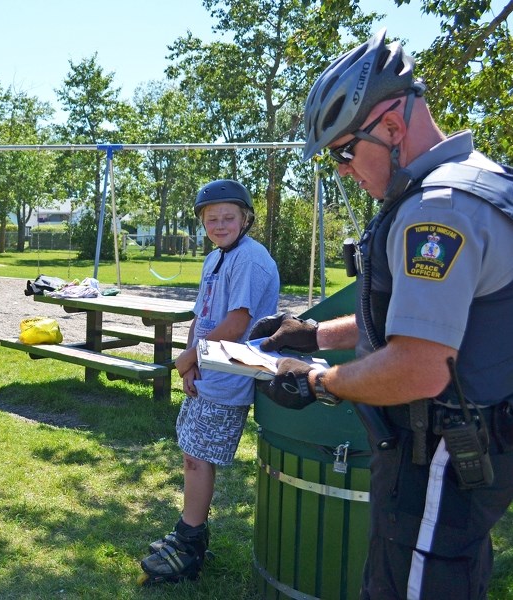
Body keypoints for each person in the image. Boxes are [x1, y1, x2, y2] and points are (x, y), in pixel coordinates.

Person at [251, 28, 513, 600]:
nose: (342, 169)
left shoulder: (437, 212)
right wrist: (312, 333)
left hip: (442, 458)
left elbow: (420, 366)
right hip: (462, 453)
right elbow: (412, 323)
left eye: (345, 150)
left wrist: (317, 380)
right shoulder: (478, 180)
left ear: (393, 126)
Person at [140, 179, 280, 584]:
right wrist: (192, 361)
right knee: (191, 452)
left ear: (246, 219)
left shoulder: (250, 260)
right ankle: (191, 530)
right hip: (208, 369)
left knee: (198, 457)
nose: (220, 224)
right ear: (203, 223)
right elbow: (203, 316)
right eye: (211, 218)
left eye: (228, 217)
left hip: (231, 372)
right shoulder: (215, 258)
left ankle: (189, 545)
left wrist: (189, 357)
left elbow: (237, 322)